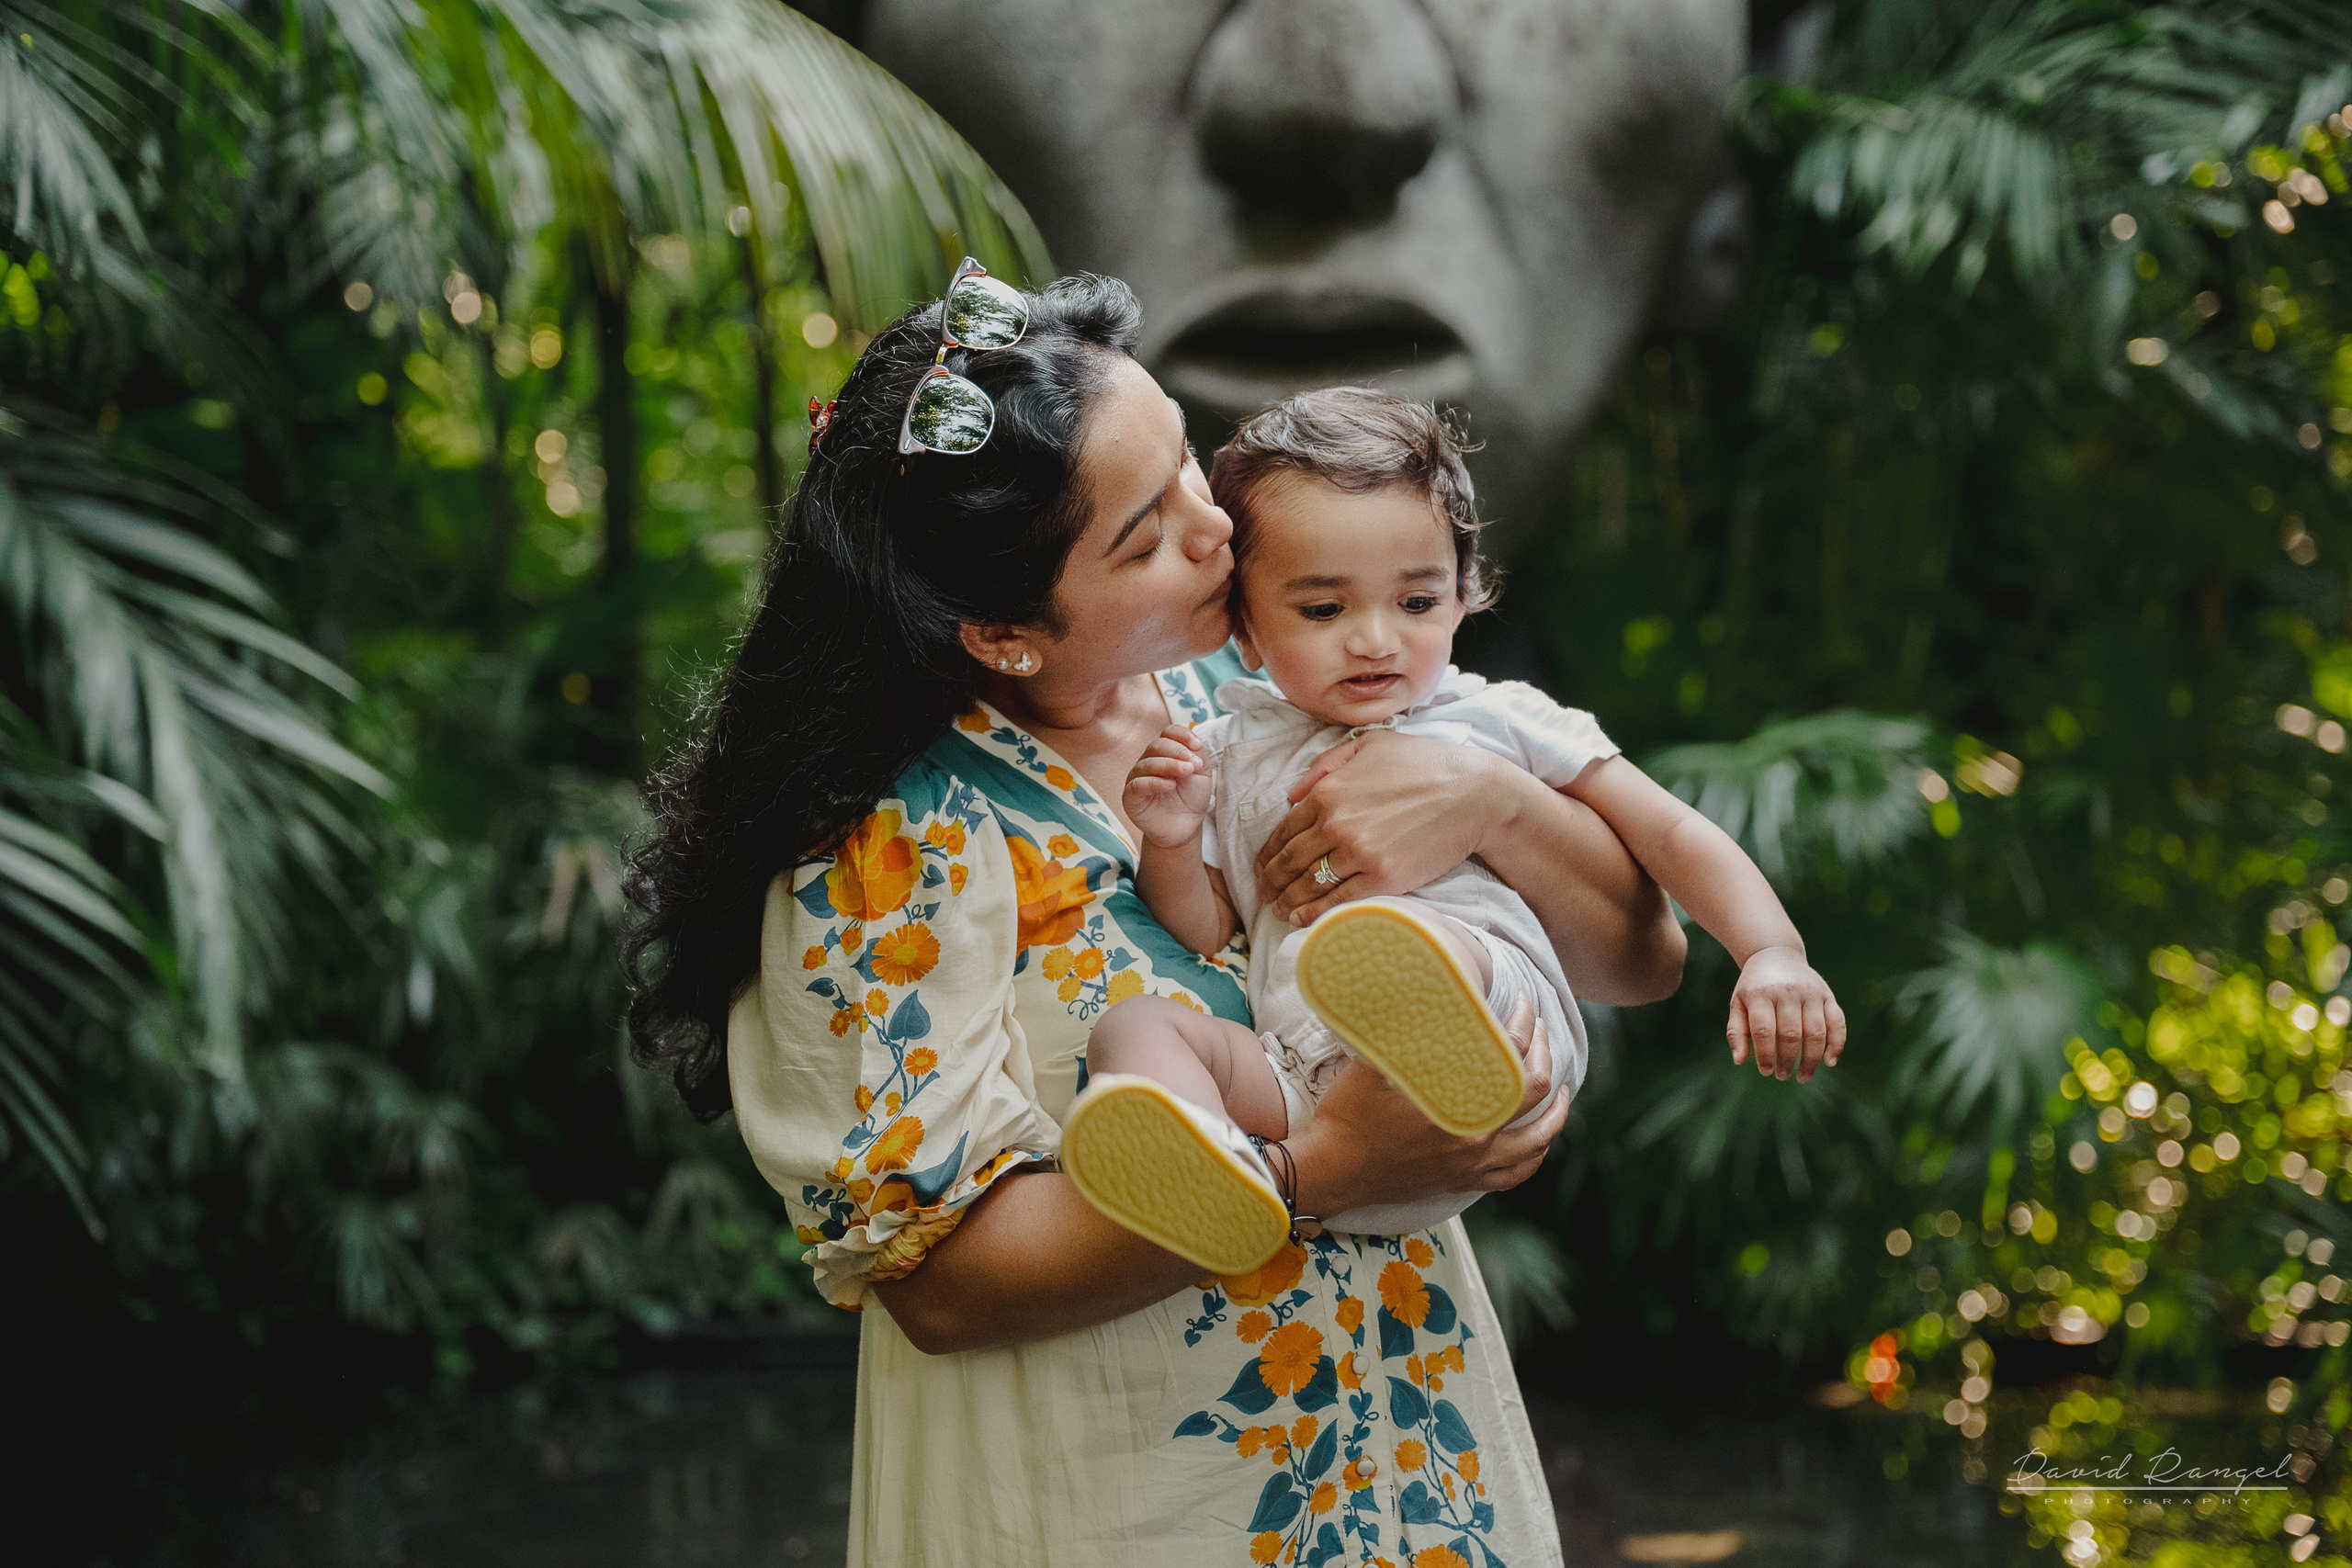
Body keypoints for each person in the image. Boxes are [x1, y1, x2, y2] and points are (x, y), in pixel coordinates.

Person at [623, 267, 1687, 1568]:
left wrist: (1489, 803)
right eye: (1147, 536)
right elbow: (940, 1284)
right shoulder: (884, 853)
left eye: (1188, 462)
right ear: (1008, 631)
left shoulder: (1269, 679)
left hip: (1411, 1462)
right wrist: (1327, 1172)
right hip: (1120, 1499)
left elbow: (1644, 956)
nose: (1218, 530)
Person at [1058, 389, 1848, 1275]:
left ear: (1466, 592)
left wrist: (1771, 949)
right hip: (1314, 1097)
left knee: (1418, 939)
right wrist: (1170, 839)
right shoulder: (1225, 751)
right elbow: (1208, 930)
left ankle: (1426, 1008)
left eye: (1418, 601)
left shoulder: (1499, 722)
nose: (1375, 640)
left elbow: (1669, 835)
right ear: (1242, 626)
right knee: (1131, 1030)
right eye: (1324, 610)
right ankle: (1214, 1179)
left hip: (1497, 1043)